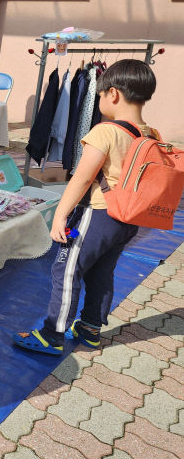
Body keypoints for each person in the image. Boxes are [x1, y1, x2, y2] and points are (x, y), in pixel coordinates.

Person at [13, 60, 159, 355]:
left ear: (113, 94)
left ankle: (52, 333)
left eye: (101, 95)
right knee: (102, 272)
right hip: (128, 219)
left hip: (99, 214)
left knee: (66, 270)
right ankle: (90, 328)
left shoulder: (105, 132)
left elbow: (81, 179)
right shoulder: (151, 134)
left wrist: (61, 215)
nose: (101, 100)